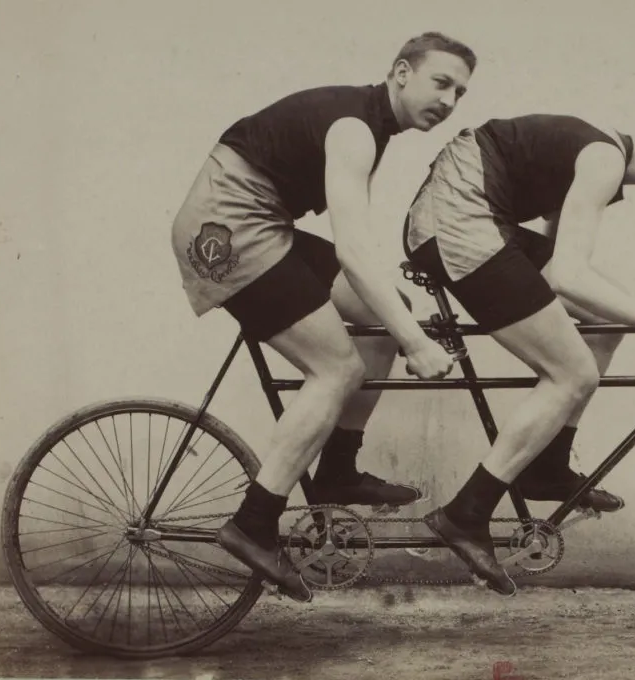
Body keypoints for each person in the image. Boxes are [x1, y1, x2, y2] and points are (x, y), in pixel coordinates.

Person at [170, 32, 477, 602]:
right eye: (441, 82)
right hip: (228, 232)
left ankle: (337, 468)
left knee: (387, 313)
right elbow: (353, 252)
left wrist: (401, 328)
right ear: (401, 72)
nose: (450, 100)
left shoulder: (370, 123)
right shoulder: (356, 129)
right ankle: (254, 524)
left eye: (461, 92)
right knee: (336, 369)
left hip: (260, 225)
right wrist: (416, 344)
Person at [403, 105, 635, 595]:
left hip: (474, 221)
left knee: (606, 324)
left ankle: (547, 468)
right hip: (455, 223)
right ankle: (464, 513)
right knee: (573, 374)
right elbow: (567, 276)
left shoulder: (601, 160)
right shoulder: (603, 159)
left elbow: (565, 272)